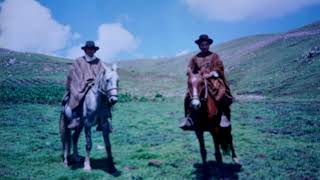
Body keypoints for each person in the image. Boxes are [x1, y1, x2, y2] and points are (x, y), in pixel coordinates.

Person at [184, 34, 233, 124]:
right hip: (200, 80)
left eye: (206, 44)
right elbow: (190, 69)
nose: (204, 46)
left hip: (212, 79)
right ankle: (188, 117)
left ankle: (223, 114)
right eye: (202, 45)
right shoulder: (195, 58)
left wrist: (210, 74)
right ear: (199, 46)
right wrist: (190, 72)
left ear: (208, 45)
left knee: (221, 91)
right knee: (188, 95)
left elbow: (219, 68)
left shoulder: (214, 56)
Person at [63, 41, 105, 129]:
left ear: (94, 51)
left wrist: (96, 81)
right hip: (81, 85)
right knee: (77, 94)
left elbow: (102, 73)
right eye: (88, 49)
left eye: (92, 49)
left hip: (95, 85)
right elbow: (74, 74)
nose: (90, 51)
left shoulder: (99, 62)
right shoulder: (78, 61)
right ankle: (75, 118)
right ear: (85, 50)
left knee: (105, 96)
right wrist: (84, 81)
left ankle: (104, 119)